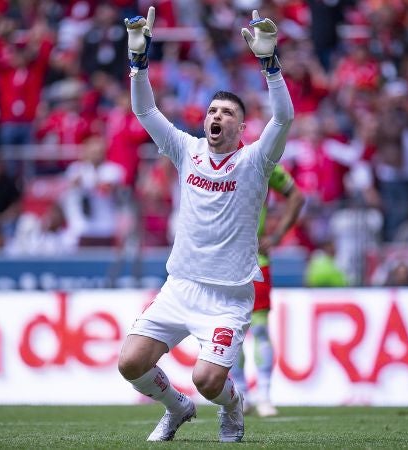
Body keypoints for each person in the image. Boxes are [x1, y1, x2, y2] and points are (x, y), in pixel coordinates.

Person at [117, 7, 293, 443]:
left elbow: (284, 118)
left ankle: (233, 410)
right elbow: (145, 111)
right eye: (212, 111)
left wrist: (271, 66)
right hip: (180, 286)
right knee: (130, 362)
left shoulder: (255, 160)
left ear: (241, 125)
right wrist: (138, 63)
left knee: (208, 380)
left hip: (228, 296)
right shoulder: (186, 150)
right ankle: (177, 409)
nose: (216, 117)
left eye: (226, 113)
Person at [229, 164, 305, 418]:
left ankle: (264, 394)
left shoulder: (262, 164)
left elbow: (296, 196)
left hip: (255, 260)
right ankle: (241, 394)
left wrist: (278, 235)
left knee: (259, 328)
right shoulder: (207, 161)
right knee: (231, 330)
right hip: (223, 263)